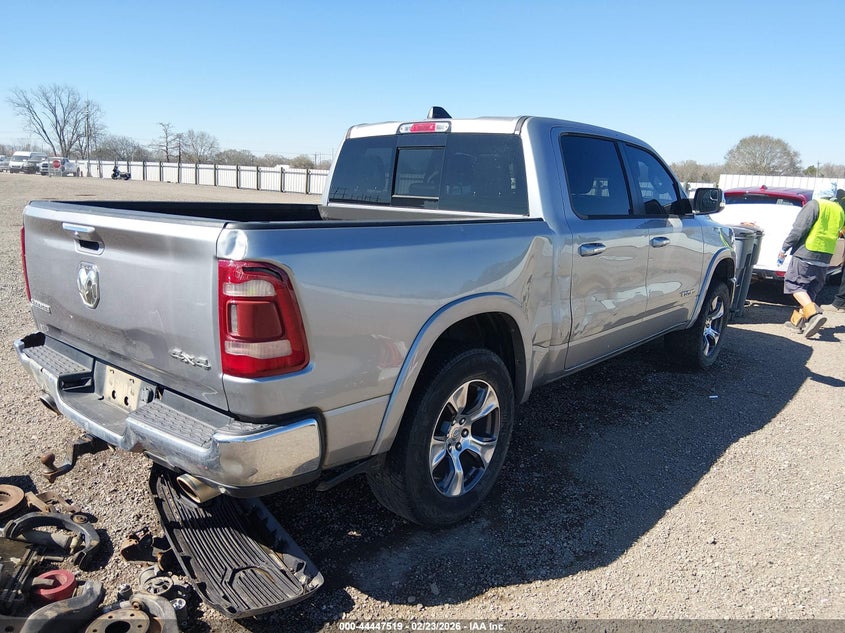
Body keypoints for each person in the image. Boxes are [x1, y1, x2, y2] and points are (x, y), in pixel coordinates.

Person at [778, 186, 845, 338]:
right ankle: (797, 322)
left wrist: (785, 248)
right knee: (810, 290)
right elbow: (841, 231)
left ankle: (814, 315)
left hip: (807, 251)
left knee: (794, 284)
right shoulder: (839, 209)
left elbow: (799, 229)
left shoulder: (814, 205)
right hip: (826, 255)